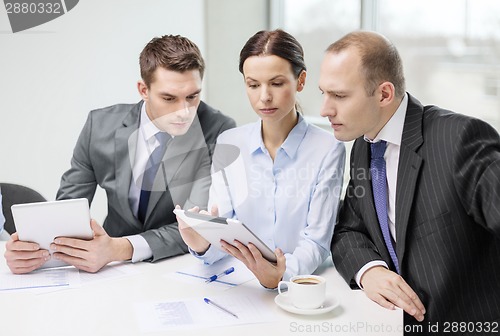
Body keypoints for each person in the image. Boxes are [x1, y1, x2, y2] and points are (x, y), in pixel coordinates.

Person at [4, 34, 236, 274]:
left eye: (192, 96)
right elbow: (67, 211)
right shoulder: (99, 126)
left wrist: (119, 248)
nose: (184, 112)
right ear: (143, 89)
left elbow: (198, 224)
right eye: (169, 98)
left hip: (179, 265)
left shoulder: (218, 130)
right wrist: (34, 252)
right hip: (109, 269)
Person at [321, 31, 500, 331]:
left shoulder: (458, 140)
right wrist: (370, 270)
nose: (326, 109)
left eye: (339, 95)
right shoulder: (364, 145)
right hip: (389, 323)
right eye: (323, 93)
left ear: (384, 94)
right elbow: (348, 229)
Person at [178, 29, 345, 289]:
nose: (264, 96)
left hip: (303, 286)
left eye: (276, 83)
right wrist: (201, 244)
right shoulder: (229, 143)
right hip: (239, 285)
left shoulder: (328, 148)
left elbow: (317, 241)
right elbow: (226, 235)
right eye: (253, 84)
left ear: (300, 81)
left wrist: (281, 274)